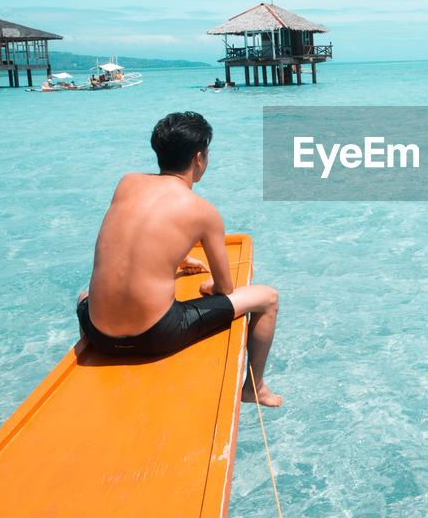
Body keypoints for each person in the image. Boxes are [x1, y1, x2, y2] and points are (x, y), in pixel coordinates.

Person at [77, 111, 282, 406]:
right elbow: (225, 290)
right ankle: (255, 388)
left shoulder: (125, 183)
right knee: (268, 298)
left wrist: (177, 259)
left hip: (99, 335)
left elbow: (137, 231)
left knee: (84, 294)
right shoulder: (203, 211)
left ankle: (90, 358)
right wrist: (210, 285)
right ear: (199, 158)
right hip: (156, 336)